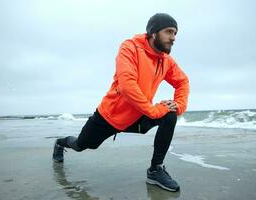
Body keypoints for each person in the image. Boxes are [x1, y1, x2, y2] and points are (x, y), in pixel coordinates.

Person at [53, 13, 189, 192]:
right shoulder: (130, 48)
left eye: (175, 33)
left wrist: (178, 105)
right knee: (81, 145)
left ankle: (155, 169)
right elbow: (127, 85)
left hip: (138, 117)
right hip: (110, 116)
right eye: (169, 32)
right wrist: (154, 110)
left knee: (170, 113)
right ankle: (60, 143)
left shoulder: (166, 61)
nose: (173, 38)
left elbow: (182, 82)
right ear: (154, 33)